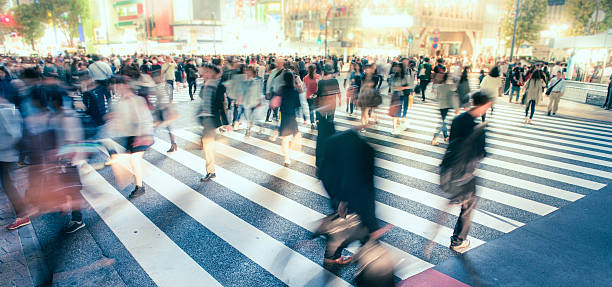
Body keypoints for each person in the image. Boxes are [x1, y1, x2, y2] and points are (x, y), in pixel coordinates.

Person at [441, 91, 492, 251]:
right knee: (469, 206)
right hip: (466, 174)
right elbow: (480, 154)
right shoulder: (478, 128)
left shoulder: (458, 120)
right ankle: (458, 241)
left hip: (451, 169)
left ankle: (458, 198)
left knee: (465, 201)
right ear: (484, 106)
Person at [196, 64, 231, 182]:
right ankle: (211, 171)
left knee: (207, 146)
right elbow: (202, 99)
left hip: (211, 120)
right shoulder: (205, 85)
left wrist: (226, 122)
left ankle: (211, 171)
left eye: (207, 72)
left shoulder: (218, 86)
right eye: (204, 72)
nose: (204, 74)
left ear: (213, 74)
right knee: (206, 145)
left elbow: (221, 104)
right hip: (205, 119)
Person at [278, 72, 302, 167]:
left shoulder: (281, 90)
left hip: (284, 115)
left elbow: (278, 101)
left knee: (285, 138)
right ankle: (290, 150)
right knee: (296, 135)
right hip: (292, 116)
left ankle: (286, 158)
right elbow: (298, 105)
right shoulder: (294, 91)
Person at [432, 72, 454, 146]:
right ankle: (434, 138)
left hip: (441, 106)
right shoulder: (449, 87)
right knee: (442, 123)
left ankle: (445, 136)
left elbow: (437, 97)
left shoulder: (440, 87)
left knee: (443, 122)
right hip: (446, 106)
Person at [388, 62, 409, 135]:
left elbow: (409, 85)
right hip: (395, 95)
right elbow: (391, 86)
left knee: (398, 112)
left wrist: (403, 87)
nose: (396, 68)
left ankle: (396, 126)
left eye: (398, 67)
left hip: (401, 95)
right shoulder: (392, 76)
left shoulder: (404, 77)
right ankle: (394, 127)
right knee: (394, 112)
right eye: (395, 67)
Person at [303, 64, 321, 129]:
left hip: (308, 96)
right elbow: (320, 86)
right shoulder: (318, 77)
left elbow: (304, 87)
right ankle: (317, 121)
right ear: (315, 69)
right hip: (316, 96)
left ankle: (312, 123)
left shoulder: (305, 77)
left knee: (311, 109)